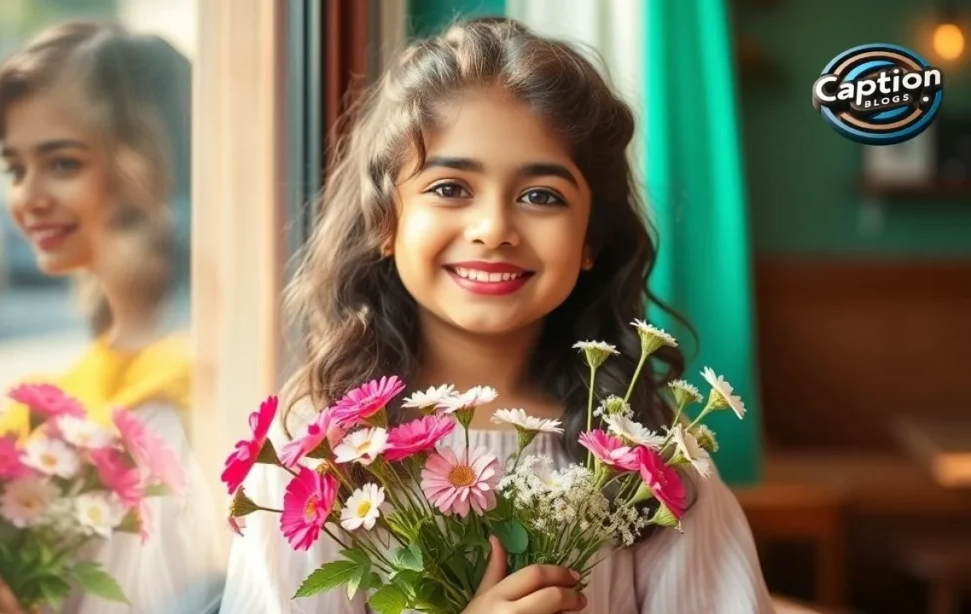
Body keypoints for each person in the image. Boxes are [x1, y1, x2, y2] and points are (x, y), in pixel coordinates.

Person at [219, 16, 775, 614]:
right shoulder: (315, 462)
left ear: (591, 239)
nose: (493, 230)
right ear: (385, 220)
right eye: (450, 188)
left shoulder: (656, 469)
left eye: (541, 196)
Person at [0, 20, 223, 614]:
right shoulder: (75, 386)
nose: (28, 197)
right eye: (15, 168)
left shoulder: (173, 400)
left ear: (149, 166)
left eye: (63, 164)